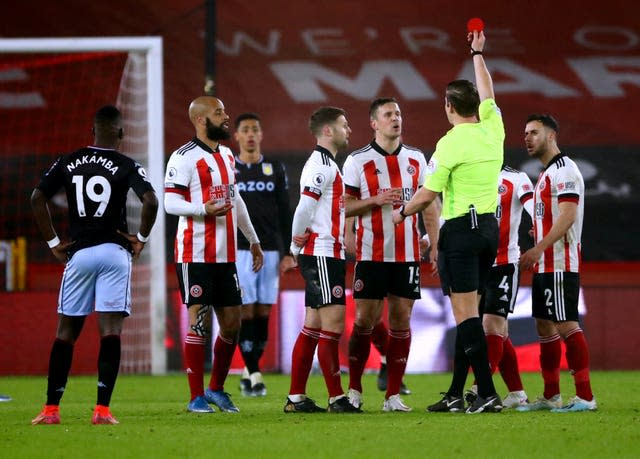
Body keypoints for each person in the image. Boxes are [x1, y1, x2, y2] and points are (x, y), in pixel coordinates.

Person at [392, 30, 504, 414]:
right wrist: (477, 53)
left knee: (465, 315)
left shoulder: (449, 142)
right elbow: (488, 90)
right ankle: (457, 392)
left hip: (460, 230)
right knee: (469, 310)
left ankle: (487, 394)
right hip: (490, 229)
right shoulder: (494, 128)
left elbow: (426, 195)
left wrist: (401, 212)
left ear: (449, 107)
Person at [30, 105, 158, 425]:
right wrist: (140, 237)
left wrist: (53, 243)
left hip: (80, 252)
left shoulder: (67, 160)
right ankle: (102, 410)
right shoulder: (126, 164)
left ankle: (51, 410)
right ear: (121, 133)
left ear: (92, 132)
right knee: (110, 331)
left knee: (66, 332)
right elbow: (151, 201)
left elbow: (36, 198)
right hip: (115, 253)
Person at [164, 96, 264, 414]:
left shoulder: (227, 155)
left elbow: (237, 200)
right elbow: (170, 202)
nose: (225, 116)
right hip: (194, 254)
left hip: (227, 256)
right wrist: (202, 209)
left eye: (224, 110)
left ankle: (216, 389)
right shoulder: (183, 158)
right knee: (199, 325)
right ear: (199, 119)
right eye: (219, 112)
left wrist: (253, 239)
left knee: (232, 325)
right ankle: (195, 397)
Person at [343, 97, 440, 413]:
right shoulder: (358, 160)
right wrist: (376, 200)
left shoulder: (415, 158)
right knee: (363, 321)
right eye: (388, 114)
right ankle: (355, 390)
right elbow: (345, 205)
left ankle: (393, 396)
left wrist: (434, 242)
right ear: (374, 123)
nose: (395, 118)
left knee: (401, 322)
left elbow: (429, 203)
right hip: (371, 254)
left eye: (398, 113)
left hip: (408, 255)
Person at [516, 114, 596, 412]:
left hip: (559, 261)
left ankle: (585, 397)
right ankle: (551, 395)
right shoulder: (548, 173)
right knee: (545, 326)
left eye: (534, 132)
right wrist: (539, 230)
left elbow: (568, 215)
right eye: (525, 133)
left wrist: (539, 246)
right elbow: (554, 215)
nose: (527, 138)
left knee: (566, 324)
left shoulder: (565, 170)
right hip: (545, 263)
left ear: (552, 136)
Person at [283, 106, 361, 414]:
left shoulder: (329, 164)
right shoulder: (320, 164)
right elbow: (304, 207)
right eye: (344, 125)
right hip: (322, 254)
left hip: (327, 254)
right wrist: (294, 243)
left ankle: (296, 398)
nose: (349, 130)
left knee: (313, 325)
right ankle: (336, 398)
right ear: (327, 131)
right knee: (334, 324)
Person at [232, 113, 294, 397]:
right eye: (245, 130)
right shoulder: (228, 168)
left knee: (263, 313)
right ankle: (255, 373)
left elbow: (285, 212)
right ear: (237, 136)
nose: (250, 135)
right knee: (246, 311)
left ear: (261, 135)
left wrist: (288, 252)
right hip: (240, 250)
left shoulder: (274, 168)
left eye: (255, 129)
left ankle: (248, 371)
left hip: (269, 249)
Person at [465, 165, 534, 408]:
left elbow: (532, 205)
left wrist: (541, 225)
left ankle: (479, 388)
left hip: (505, 265)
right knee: (500, 333)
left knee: (490, 325)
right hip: (476, 265)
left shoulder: (516, 178)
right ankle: (516, 393)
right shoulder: (470, 175)